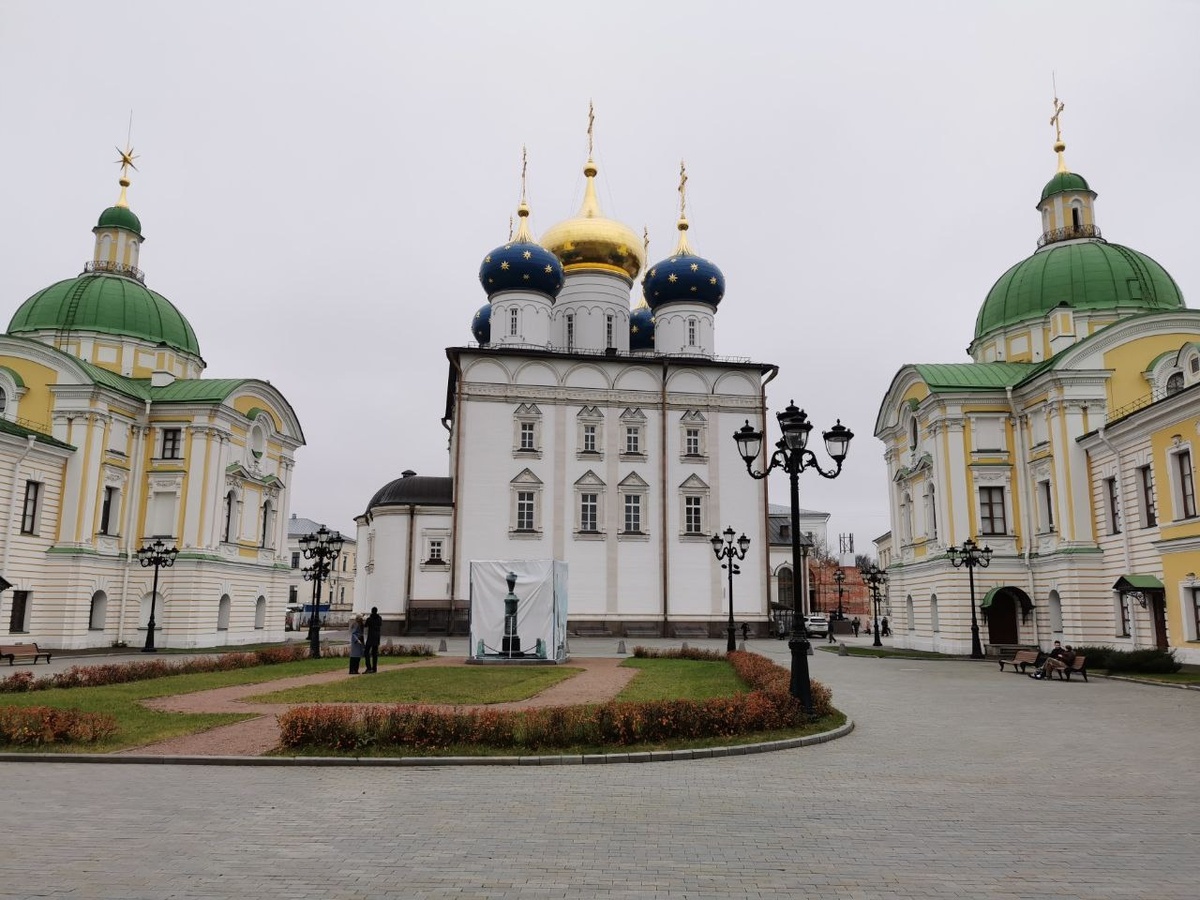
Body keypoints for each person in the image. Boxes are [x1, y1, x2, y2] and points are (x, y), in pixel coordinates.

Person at [364, 606, 383, 673]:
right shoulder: (379, 618)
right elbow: (380, 624)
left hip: (370, 638)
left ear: (372, 611)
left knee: (366, 652)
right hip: (377, 638)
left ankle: (368, 667)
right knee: (375, 653)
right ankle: (374, 668)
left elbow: (365, 625)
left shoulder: (369, 619)